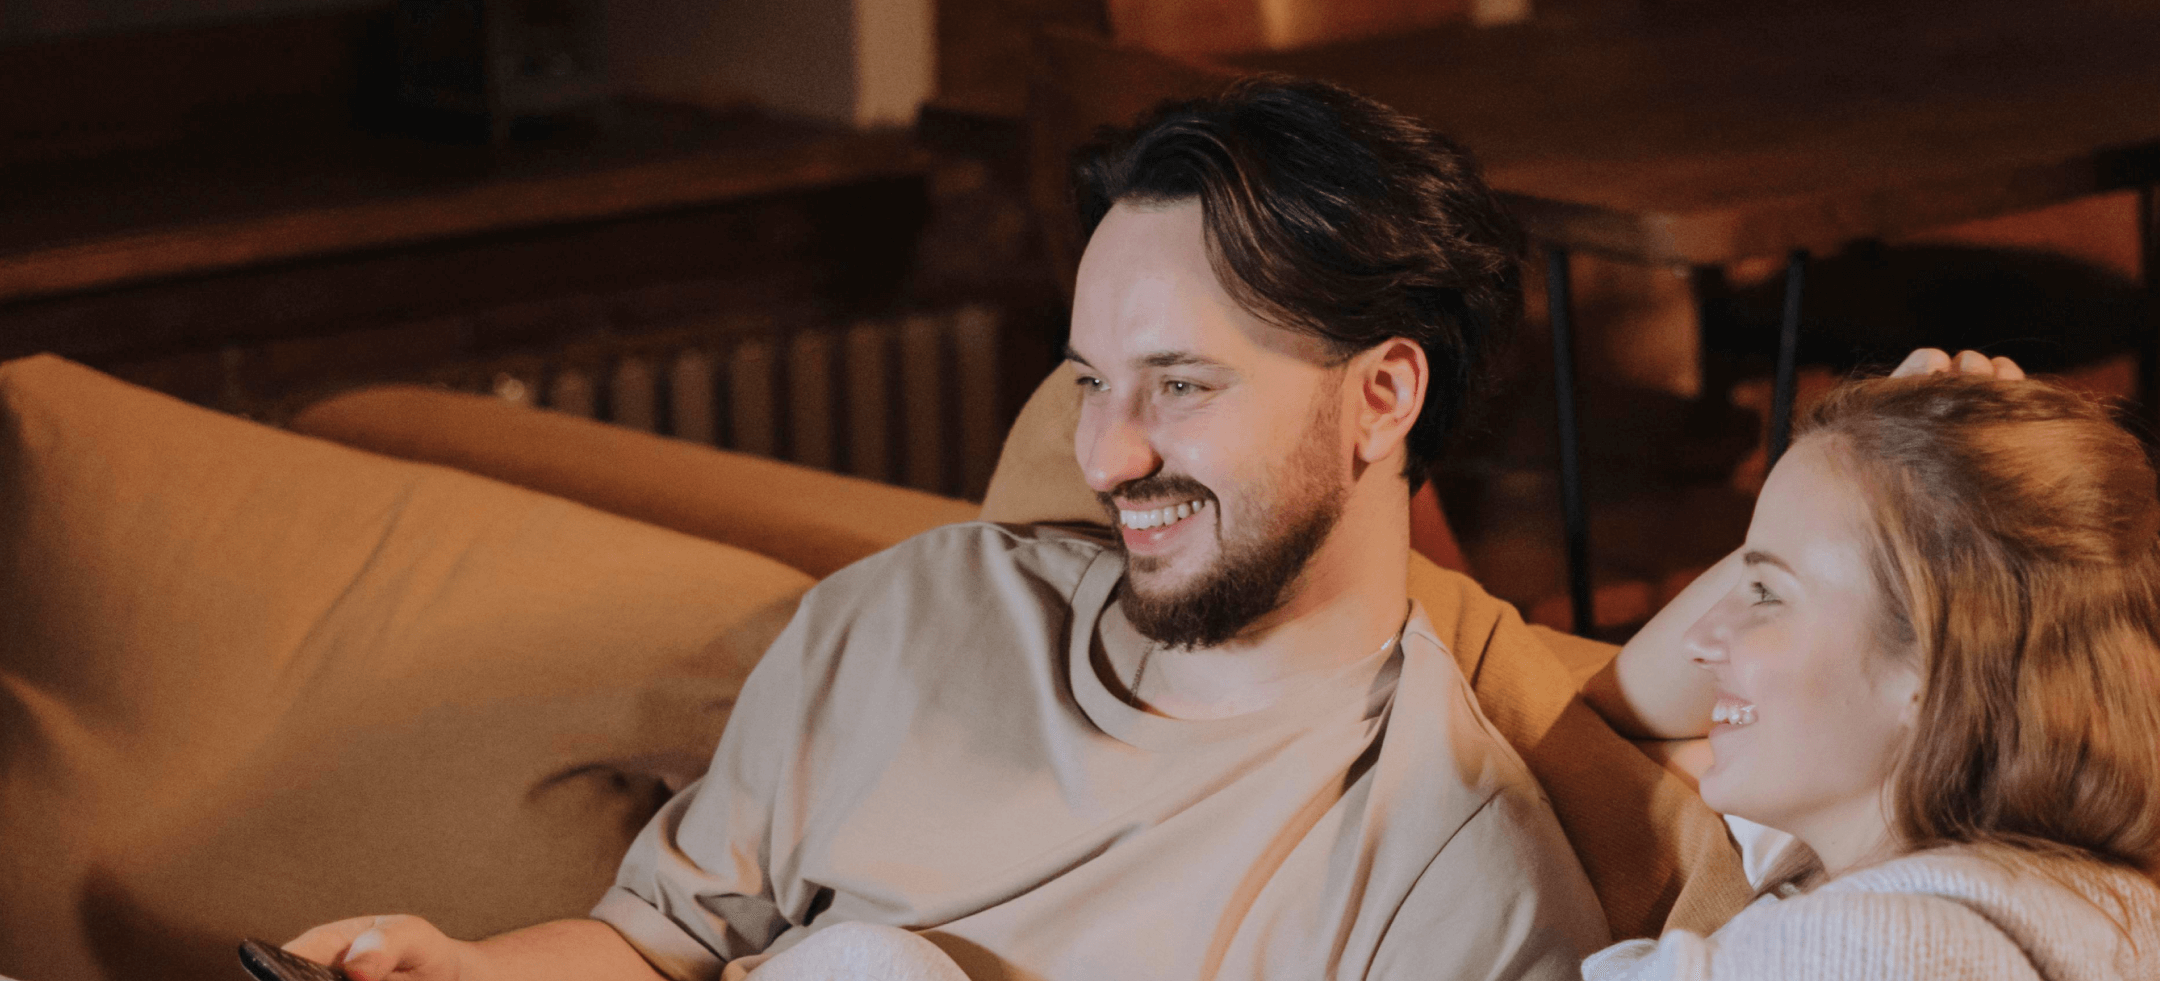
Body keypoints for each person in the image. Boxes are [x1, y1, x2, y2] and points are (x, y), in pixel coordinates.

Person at [283, 77, 1608, 981]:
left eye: (1180, 386)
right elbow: (652, 944)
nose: (1106, 455)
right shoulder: (915, 616)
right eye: (1091, 382)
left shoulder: (1452, 885)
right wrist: (463, 968)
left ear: (1382, 397)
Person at [1580, 348, 2160, 980]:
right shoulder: (2003, 866)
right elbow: (1625, 716)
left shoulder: (1875, 952)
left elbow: (1618, 726)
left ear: (1931, 667)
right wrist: (1891, 465)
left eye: (1767, 593)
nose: (1698, 640)